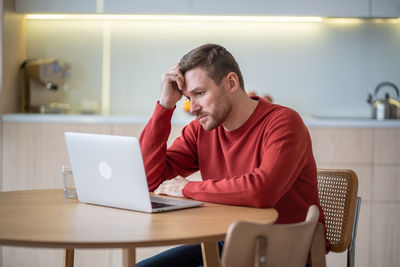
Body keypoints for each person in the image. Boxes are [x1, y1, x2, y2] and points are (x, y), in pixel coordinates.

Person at [138, 44, 327, 267]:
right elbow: (149, 179)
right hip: (226, 241)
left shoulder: (284, 123)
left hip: (283, 251)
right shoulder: (202, 129)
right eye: (188, 97)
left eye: (200, 93)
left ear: (231, 83)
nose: (192, 107)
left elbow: (262, 191)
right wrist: (165, 105)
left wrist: (186, 188)